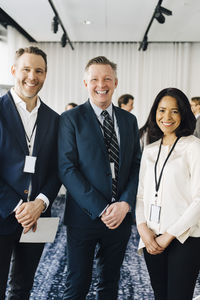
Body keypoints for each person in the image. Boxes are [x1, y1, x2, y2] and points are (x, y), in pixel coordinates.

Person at [58, 56, 141, 300]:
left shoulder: (129, 120)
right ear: (86, 83)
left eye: (107, 79)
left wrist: (124, 204)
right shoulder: (71, 119)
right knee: (77, 284)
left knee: (110, 283)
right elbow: (66, 168)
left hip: (120, 217)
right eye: (94, 79)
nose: (100, 84)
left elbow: (136, 165)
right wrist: (103, 208)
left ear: (115, 83)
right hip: (84, 217)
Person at [0, 46, 60, 300]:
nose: (32, 76)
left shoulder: (54, 119)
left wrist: (40, 202)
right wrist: (17, 206)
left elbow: (58, 169)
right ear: (14, 71)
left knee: (23, 288)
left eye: (39, 71)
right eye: (26, 69)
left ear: (45, 74)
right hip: (2, 213)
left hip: (37, 217)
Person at [136, 87, 200, 300]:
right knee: (160, 295)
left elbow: (199, 200)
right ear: (155, 112)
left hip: (185, 238)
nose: (167, 117)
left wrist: (168, 236)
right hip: (151, 236)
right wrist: (143, 228)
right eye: (162, 110)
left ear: (184, 114)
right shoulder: (150, 149)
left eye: (175, 111)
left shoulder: (193, 147)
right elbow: (141, 195)